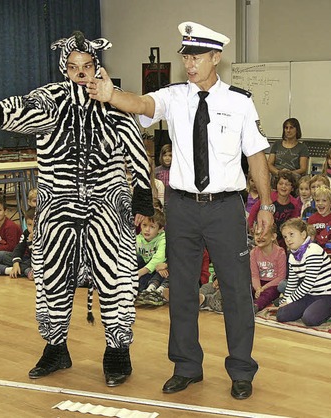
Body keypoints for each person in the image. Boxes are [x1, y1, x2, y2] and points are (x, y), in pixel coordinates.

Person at [88, 21, 272, 399]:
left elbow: (255, 155)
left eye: (197, 56)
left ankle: (241, 370)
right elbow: (141, 104)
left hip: (225, 207)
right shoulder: (175, 96)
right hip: (183, 207)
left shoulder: (239, 100)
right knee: (182, 289)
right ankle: (187, 366)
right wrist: (111, 94)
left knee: (237, 292)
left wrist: (266, 204)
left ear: (215, 57)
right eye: (186, 56)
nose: (190, 64)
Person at [0, 31, 154, 387]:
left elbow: (136, 151)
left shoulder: (115, 102)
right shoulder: (51, 99)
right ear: (64, 68)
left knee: (117, 279)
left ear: (97, 66)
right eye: (72, 67)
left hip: (108, 206)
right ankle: (55, 347)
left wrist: (142, 196)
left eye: (86, 66)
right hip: (58, 205)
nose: (80, 73)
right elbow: (23, 109)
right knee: (51, 278)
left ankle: (117, 352)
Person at [277, 218, 331, 326]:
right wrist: (285, 300)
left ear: (303, 234)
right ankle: (311, 307)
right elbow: (292, 283)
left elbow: (308, 282)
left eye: (291, 234)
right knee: (281, 315)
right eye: (285, 237)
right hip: (309, 294)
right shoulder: (292, 256)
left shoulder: (313, 250)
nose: (288, 239)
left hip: (327, 294)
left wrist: (290, 300)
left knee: (309, 319)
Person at [247, 169, 300, 248]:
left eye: (287, 184)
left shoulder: (294, 203)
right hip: (265, 233)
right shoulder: (268, 198)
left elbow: (294, 221)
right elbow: (254, 210)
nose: (283, 186)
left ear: (292, 188)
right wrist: (251, 226)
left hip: (283, 237)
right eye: (281, 183)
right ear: (276, 185)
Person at [0, 207, 35, 279]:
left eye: (36, 225)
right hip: (26, 259)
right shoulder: (26, 233)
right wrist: (16, 263)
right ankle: (22, 270)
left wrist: (31, 242)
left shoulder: (46, 234)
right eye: (29, 225)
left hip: (37, 262)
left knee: (30, 263)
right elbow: (19, 248)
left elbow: (38, 256)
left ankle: (7, 270)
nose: (32, 228)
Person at [135, 210, 169, 306]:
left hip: (160, 270)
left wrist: (137, 274)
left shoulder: (163, 239)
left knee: (163, 270)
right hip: (146, 271)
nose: (147, 230)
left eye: (152, 227)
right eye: (144, 225)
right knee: (135, 258)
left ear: (160, 229)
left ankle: (157, 292)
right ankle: (144, 292)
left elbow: (158, 259)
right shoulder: (137, 239)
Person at [250, 223, 286, 311]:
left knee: (268, 294)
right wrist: (258, 288)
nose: (259, 237)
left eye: (264, 234)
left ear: (273, 236)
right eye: (257, 234)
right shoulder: (253, 253)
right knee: (246, 288)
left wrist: (263, 288)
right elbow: (254, 275)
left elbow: (281, 277)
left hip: (273, 284)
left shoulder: (280, 253)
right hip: (258, 283)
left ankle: (255, 306)